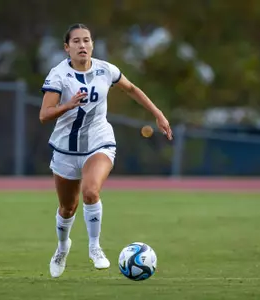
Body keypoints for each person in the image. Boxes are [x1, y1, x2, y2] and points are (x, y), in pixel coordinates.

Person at [39, 23, 173, 278]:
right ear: (67, 48)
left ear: (92, 44)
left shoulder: (105, 70)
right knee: (68, 208)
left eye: (86, 40)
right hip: (66, 148)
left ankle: (95, 248)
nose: (82, 45)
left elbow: (132, 88)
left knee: (90, 191)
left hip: (99, 142)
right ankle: (62, 247)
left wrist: (157, 114)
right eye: (76, 41)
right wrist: (67, 105)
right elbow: (44, 115)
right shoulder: (58, 76)